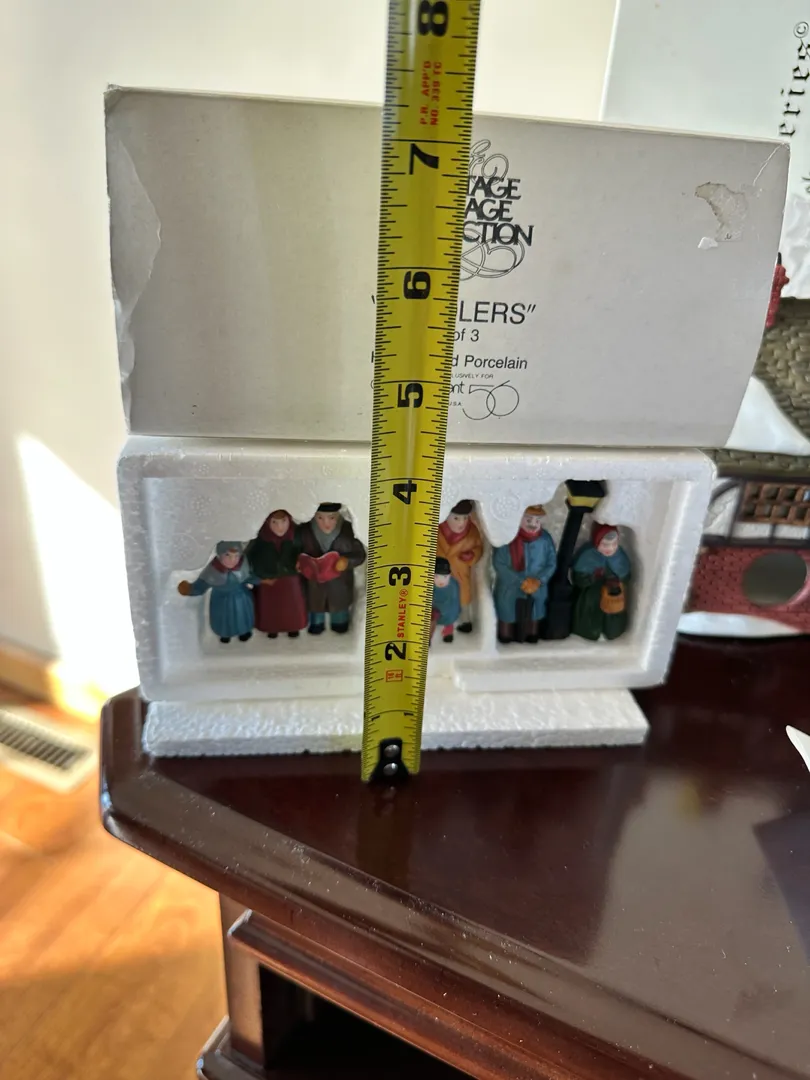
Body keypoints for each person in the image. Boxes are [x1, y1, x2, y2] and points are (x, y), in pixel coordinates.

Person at [297, 503, 366, 634]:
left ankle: (339, 622)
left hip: (339, 584)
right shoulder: (305, 531)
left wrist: (347, 561)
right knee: (315, 606)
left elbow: (360, 555)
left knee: (339, 606)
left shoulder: (348, 531)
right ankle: (316, 623)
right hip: (314, 583)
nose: (326, 523)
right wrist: (299, 562)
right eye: (320, 518)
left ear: (338, 516)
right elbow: (296, 550)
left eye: (331, 518)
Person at [492, 506, 557, 644]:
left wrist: (539, 580)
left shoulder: (545, 540)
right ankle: (506, 635)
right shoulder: (508, 539)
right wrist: (519, 581)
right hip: (510, 586)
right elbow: (500, 564)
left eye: (537, 520)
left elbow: (551, 563)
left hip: (536, 586)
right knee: (508, 612)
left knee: (534, 611)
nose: (533, 524)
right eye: (528, 520)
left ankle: (531, 634)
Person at [177, 541, 258, 644]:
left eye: (236, 556)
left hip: (241, 597)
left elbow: (249, 577)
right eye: (227, 555)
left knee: (241, 616)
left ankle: (244, 631)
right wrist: (190, 589)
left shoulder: (243, 565)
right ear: (220, 555)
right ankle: (225, 634)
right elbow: (202, 584)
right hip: (221, 601)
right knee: (224, 619)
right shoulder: (213, 570)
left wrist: (260, 580)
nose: (232, 560)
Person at [246, 509, 307, 638]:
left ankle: (293, 626)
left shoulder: (296, 536)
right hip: (269, 580)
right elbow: (252, 557)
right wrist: (260, 574)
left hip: (290, 578)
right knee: (270, 607)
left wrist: (301, 561)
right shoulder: (260, 540)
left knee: (292, 606)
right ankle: (271, 628)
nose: (280, 527)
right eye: (274, 522)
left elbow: (304, 551)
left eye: (283, 521)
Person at [571, 523, 630, 641]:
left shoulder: (620, 557)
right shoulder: (588, 555)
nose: (609, 548)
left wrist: (617, 581)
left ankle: (612, 632)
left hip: (612, 595)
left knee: (613, 614)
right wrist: (591, 578)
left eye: (613, 544)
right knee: (590, 614)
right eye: (605, 545)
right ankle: (589, 633)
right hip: (592, 595)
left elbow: (626, 575)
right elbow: (578, 578)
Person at [436, 499, 483, 633]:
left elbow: (479, 548)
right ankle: (438, 619)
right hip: (439, 572)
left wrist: (472, 556)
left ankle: (464, 619)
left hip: (460, 571)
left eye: (465, 518)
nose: (461, 523)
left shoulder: (472, 532)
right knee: (439, 595)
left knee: (463, 595)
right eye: (456, 518)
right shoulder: (437, 530)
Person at [431, 556, 461, 643]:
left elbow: (454, 600)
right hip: (434, 610)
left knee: (449, 621)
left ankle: (448, 633)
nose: (441, 581)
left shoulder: (453, 585)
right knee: (431, 621)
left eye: (444, 576)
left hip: (448, 610)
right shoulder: (429, 584)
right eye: (436, 576)